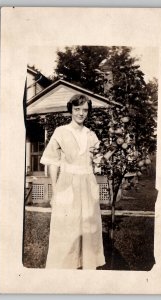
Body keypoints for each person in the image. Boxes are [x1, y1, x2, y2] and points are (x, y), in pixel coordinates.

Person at [40, 94, 106, 269]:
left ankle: (86, 264)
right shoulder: (61, 132)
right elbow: (53, 163)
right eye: (77, 109)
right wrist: (55, 191)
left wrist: (114, 151)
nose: (81, 113)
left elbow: (99, 160)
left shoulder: (91, 135)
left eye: (85, 110)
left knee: (88, 226)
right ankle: (63, 267)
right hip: (67, 183)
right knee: (67, 227)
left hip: (88, 183)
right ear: (71, 110)